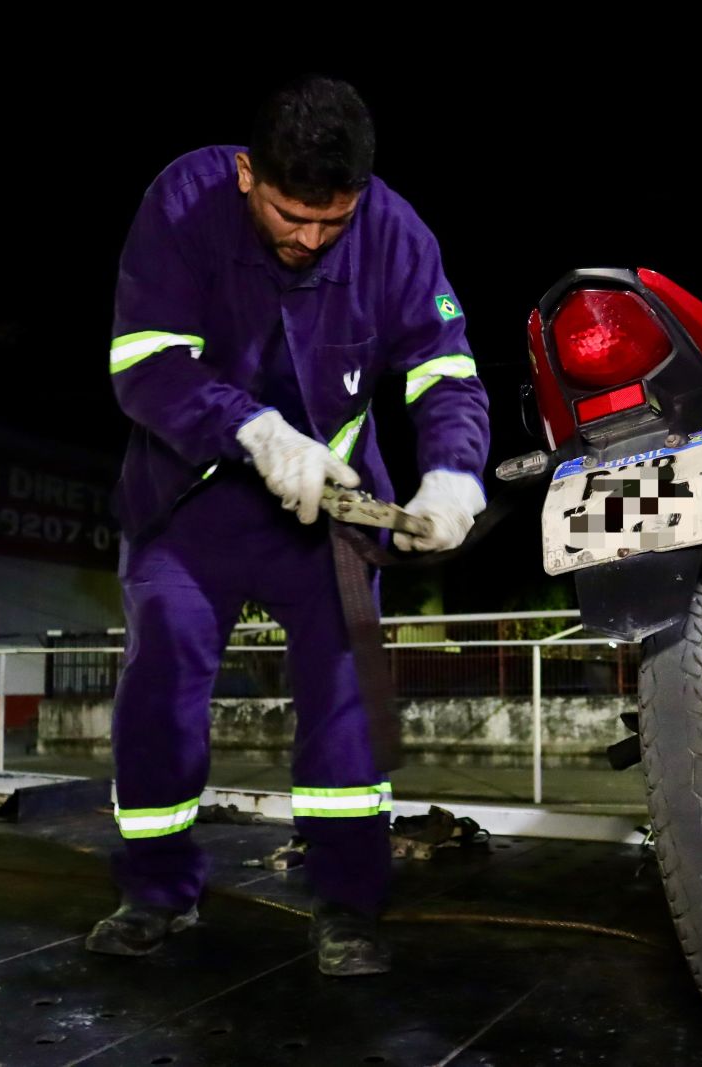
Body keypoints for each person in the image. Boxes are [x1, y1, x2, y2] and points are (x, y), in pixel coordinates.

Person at [85, 76, 489, 976]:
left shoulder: (397, 235)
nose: (308, 239)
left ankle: (348, 904)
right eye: (288, 215)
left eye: (330, 222)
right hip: (187, 502)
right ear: (247, 174)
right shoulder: (183, 201)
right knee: (161, 683)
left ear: (360, 197)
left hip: (328, 517)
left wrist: (454, 473)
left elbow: (444, 369)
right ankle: (156, 891)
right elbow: (144, 363)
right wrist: (256, 432)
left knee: (345, 702)